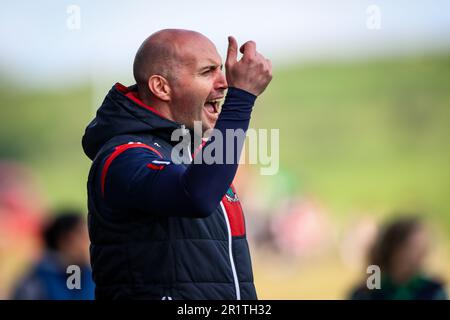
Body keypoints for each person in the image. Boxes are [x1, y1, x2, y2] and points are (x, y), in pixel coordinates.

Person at [82, 29, 272, 299]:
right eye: (207, 72)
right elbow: (195, 196)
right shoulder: (122, 157)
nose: (224, 82)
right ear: (161, 87)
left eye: (221, 69)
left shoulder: (194, 155)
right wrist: (241, 100)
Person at [349, 216, 448, 300]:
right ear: (394, 249)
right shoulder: (368, 293)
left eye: (424, 247)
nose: (422, 254)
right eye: (414, 247)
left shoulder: (433, 290)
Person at [12, 209, 95, 300]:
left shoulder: (86, 272)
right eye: (84, 237)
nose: (89, 243)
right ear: (66, 241)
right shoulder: (38, 281)